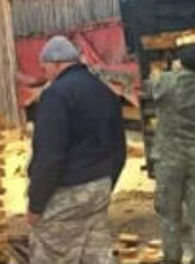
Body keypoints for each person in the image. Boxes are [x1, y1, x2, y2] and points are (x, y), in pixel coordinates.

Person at [27, 36, 127, 264]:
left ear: (56, 63)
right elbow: (119, 148)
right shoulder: (105, 90)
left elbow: (49, 157)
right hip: (99, 188)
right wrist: (107, 183)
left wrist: (36, 204)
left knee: (51, 253)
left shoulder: (56, 95)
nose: (46, 74)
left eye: (45, 68)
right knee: (95, 255)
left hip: (66, 193)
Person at [151, 43, 195, 264]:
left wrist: (169, 69)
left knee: (169, 215)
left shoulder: (167, 81)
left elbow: (151, 89)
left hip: (169, 159)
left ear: (180, 62)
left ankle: (172, 259)